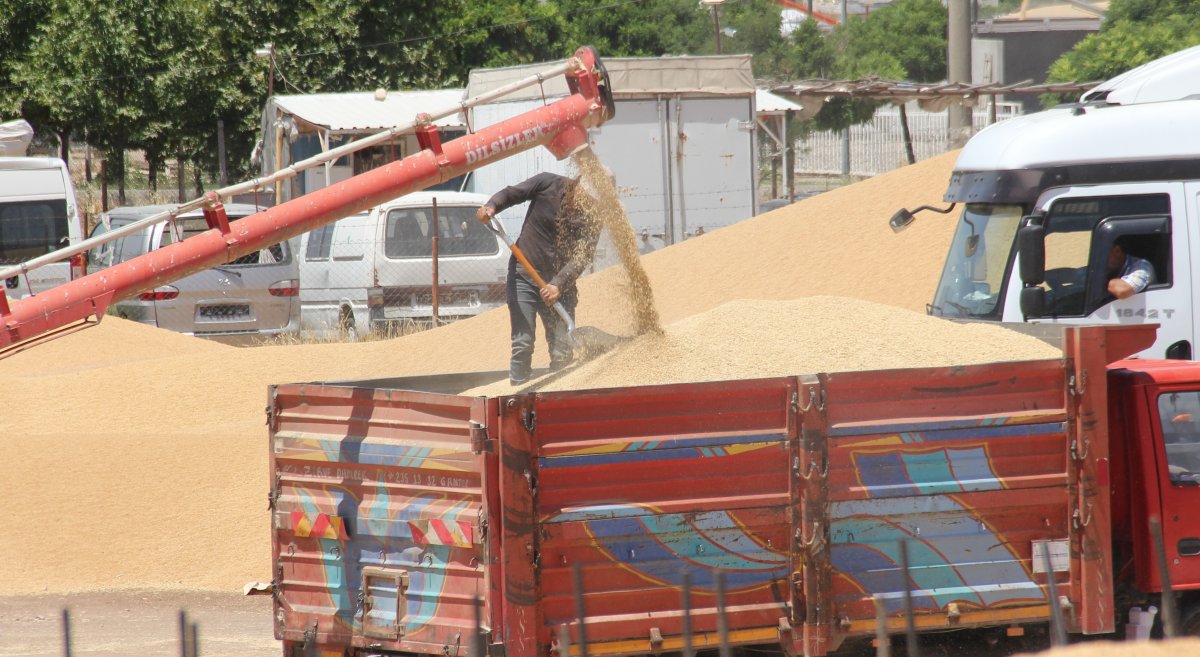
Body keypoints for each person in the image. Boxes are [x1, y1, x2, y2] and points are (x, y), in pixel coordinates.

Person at [477, 172, 602, 385]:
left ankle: (559, 397)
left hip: (562, 287)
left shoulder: (594, 216)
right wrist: (491, 206)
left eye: (590, 203)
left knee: (562, 349)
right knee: (523, 342)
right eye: (582, 199)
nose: (583, 206)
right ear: (577, 187)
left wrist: (558, 285)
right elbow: (512, 194)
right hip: (524, 276)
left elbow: (583, 256)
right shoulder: (548, 184)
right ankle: (517, 392)